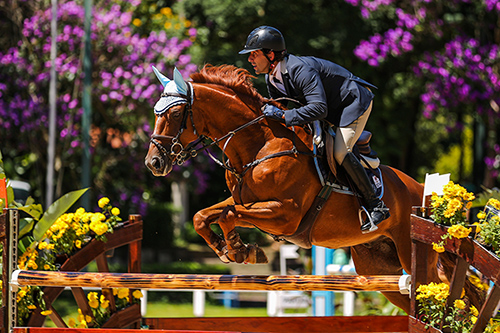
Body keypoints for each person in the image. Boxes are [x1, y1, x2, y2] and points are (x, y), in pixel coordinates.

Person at [239, 25, 390, 233]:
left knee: (339, 151)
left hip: (352, 102)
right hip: (328, 110)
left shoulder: (299, 69)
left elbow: (317, 108)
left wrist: (284, 116)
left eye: (254, 54)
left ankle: (376, 206)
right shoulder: (272, 78)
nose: (250, 60)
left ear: (270, 54)